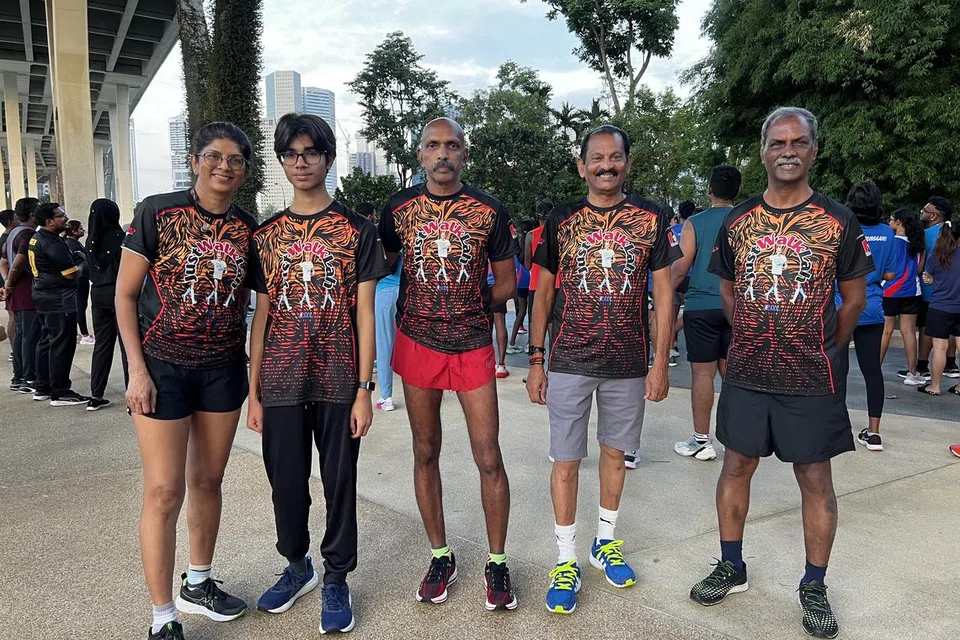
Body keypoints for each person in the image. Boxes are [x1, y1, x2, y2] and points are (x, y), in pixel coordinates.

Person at [690, 107, 874, 639]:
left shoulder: (838, 220)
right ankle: (732, 565)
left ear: (814, 149)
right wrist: (753, 335)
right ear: (763, 150)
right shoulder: (738, 220)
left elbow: (854, 299)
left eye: (798, 142)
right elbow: (728, 290)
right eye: (777, 142)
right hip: (748, 372)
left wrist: (825, 347)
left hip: (811, 378)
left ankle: (814, 585)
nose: (787, 151)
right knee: (735, 466)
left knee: (815, 478)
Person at [526, 124, 680, 614]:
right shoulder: (561, 219)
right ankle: (565, 558)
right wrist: (536, 359)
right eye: (596, 158)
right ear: (582, 166)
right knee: (566, 460)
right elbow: (542, 291)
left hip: (628, 363)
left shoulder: (652, 217)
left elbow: (664, 294)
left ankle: (605, 542)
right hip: (570, 358)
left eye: (615, 157)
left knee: (616, 455)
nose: (606, 166)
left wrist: (660, 362)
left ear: (628, 163)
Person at [117, 122, 258, 640]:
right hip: (161, 368)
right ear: (195, 161)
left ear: (245, 170)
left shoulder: (248, 229)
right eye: (214, 156)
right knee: (163, 490)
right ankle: (162, 617)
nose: (224, 166)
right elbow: (124, 295)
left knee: (207, 481)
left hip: (222, 368)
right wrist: (136, 370)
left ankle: (198, 582)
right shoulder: (157, 212)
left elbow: (259, 303)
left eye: (236, 159)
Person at [247, 113, 388, 634]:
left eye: (310, 152)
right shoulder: (266, 235)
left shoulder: (357, 230)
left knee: (339, 481)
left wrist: (364, 389)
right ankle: (296, 564)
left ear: (327, 158)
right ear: (282, 161)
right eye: (291, 154)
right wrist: (254, 391)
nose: (300, 162)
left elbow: (365, 313)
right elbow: (262, 315)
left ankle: (336, 577)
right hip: (281, 378)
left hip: (338, 376)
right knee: (286, 481)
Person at [378, 117, 520, 611]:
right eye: (433, 146)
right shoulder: (398, 208)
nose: (443, 153)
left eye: (452, 145)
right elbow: (381, 264)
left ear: (464, 154)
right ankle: (441, 555)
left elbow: (507, 282)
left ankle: (497, 561)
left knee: (488, 456)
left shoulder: (489, 209)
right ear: (420, 155)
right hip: (417, 342)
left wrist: (469, 304)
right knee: (424, 450)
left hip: (472, 343)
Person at [669, 165, 742, 462]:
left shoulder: (695, 223)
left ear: (709, 189)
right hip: (736, 306)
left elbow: (681, 267)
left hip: (701, 306)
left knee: (703, 374)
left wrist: (662, 292)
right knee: (732, 375)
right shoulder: (746, 220)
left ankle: (702, 440)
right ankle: (737, 439)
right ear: (737, 190)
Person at [837, 183, 897, 452]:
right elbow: (891, 274)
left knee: (838, 369)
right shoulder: (888, 232)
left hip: (841, 304)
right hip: (871, 306)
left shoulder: (843, 228)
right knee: (872, 370)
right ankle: (874, 433)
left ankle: (838, 426)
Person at [28, 203, 90, 406]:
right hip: (59, 300)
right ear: (49, 222)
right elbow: (71, 274)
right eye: (61, 216)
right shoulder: (52, 242)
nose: (66, 218)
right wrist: (82, 263)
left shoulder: (37, 238)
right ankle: (61, 391)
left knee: (47, 341)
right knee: (62, 344)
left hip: (43, 296)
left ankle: (43, 387)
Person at [86, 198, 128, 411]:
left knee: (102, 345)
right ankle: (132, 396)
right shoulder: (122, 238)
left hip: (98, 295)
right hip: (120, 295)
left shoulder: (90, 240)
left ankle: (96, 395)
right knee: (128, 345)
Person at [881, 208, 925, 384]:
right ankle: (913, 373)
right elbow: (919, 269)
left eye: (891, 219)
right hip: (912, 292)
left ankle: (875, 371)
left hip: (889, 291)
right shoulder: (918, 245)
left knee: (886, 331)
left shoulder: (891, 242)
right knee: (909, 332)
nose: (889, 222)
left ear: (899, 222)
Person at [916, 197, 958, 379]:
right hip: (955, 292)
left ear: (933, 216)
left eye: (924, 210)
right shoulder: (954, 232)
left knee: (928, 328)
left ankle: (922, 366)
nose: (921, 212)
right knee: (953, 329)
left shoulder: (925, 235)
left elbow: (921, 263)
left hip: (931, 292)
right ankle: (951, 364)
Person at [3, 198, 42, 393]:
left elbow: (4, 261)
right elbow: (18, 262)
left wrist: (7, 282)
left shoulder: (13, 233)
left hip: (17, 291)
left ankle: (18, 376)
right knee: (30, 335)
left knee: (21, 335)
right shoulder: (28, 234)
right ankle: (29, 377)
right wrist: (9, 283)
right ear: (33, 214)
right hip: (26, 290)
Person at [376, 254, 401, 412]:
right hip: (405, 291)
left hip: (383, 290)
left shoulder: (379, 241)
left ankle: (386, 397)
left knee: (384, 344)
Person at [64, 220, 94, 344]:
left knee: (79, 305)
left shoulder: (73, 243)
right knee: (80, 306)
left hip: (81, 278)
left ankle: (77, 333)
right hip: (79, 279)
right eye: (80, 229)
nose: (83, 230)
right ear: (73, 231)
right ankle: (84, 334)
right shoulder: (72, 245)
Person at [489, 262, 512, 378]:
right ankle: (501, 364)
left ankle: (488, 362)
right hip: (498, 283)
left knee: (484, 323)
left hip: (481, 284)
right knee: (500, 322)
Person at [0, 208, 17, 360]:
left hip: (6, 282)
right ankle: (15, 351)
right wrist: (6, 282)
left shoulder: (6, 238)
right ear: (11, 222)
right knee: (13, 316)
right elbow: (3, 263)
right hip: (8, 283)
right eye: (17, 218)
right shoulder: (7, 240)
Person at [507, 251, 531, 354]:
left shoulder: (515, 254)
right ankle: (530, 343)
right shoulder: (528, 252)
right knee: (531, 314)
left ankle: (512, 342)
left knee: (521, 313)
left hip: (520, 283)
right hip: (530, 282)